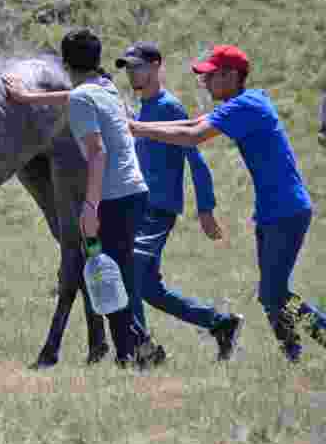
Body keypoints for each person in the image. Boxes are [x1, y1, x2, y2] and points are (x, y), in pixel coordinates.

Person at [129, 44, 326, 362]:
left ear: (231, 75)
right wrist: (136, 127)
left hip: (286, 210)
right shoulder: (244, 102)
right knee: (272, 296)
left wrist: (137, 129)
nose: (205, 83)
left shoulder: (245, 105)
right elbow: (192, 124)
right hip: (274, 210)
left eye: (210, 77)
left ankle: (298, 352)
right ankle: (293, 359)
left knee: (272, 294)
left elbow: (193, 137)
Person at [3, 29, 165, 369]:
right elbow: (73, 95)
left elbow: (97, 153)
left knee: (109, 277)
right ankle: (132, 350)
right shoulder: (106, 88)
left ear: (64, 63)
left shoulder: (82, 99)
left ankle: (136, 353)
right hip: (134, 193)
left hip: (113, 198)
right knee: (110, 275)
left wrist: (90, 206)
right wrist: (30, 98)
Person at [114, 41, 244, 361]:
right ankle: (220, 323)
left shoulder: (169, 107)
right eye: (128, 67)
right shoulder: (139, 109)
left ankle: (141, 350)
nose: (132, 73)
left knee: (127, 269)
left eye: (138, 66)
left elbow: (195, 159)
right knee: (149, 290)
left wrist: (206, 208)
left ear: (157, 65)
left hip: (158, 209)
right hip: (138, 206)